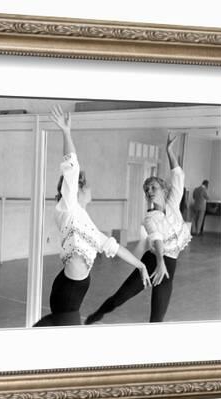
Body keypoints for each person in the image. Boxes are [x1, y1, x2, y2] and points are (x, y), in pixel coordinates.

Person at [34, 105, 151, 327]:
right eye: (86, 185)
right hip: (67, 292)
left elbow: (114, 247)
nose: (90, 188)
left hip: (72, 291)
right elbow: (71, 167)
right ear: (77, 190)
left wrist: (141, 266)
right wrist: (66, 133)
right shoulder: (68, 207)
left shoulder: (85, 222)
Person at [85, 133, 191, 324]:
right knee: (121, 297)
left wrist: (169, 151)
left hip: (169, 265)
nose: (149, 192)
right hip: (153, 260)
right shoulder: (150, 218)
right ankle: (97, 314)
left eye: (152, 188)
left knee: (157, 318)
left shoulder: (173, 202)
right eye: (146, 190)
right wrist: (160, 262)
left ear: (163, 189)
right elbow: (157, 239)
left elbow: (177, 175)